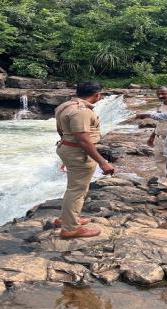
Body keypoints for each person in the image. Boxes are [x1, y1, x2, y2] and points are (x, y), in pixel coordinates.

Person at [55, 81, 115, 238]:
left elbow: (61, 130)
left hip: (69, 148)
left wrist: (67, 149)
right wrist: (103, 162)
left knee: (73, 187)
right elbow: (83, 140)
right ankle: (70, 228)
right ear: (97, 95)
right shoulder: (81, 111)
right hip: (79, 152)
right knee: (77, 190)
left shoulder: (66, 105)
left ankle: (66, 218)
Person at [146, 86, 167, 184]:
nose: (160, 95)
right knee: (159, 160)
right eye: (158, 93)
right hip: (159, 138)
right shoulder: (160, 106)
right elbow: (159, 123)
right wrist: (152, 136)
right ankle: (164, 181)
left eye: (163, 93)